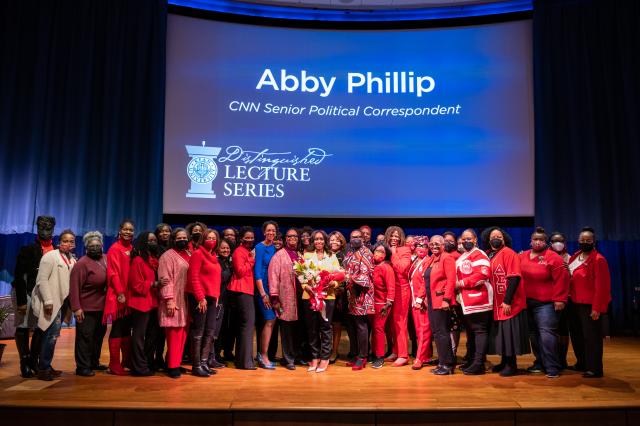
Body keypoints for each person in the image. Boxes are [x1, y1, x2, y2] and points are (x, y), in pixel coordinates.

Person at [520, 227, 570, 379]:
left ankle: (553, 367)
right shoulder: (522, 256)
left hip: (546, 304)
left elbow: (562, 279)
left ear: (546, 242)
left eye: (541, 240)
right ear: (530, 241)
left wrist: (560, 299)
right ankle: (540, 362)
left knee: (547, 335)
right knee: (533, 336)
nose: (538, 242)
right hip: (527, 302)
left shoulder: (554, 257)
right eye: (535, 239)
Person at [12, 215, 56, 378]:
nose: (45, 231)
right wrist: (22, 301)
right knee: (23, 326)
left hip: (46, 295)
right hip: (26, 292)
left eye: (48, 228)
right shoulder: (28, 249)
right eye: (41, 227)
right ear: (37, 229)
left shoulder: (57, 250)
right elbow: (19, 275)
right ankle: (24, 362)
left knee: (41, 327)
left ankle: (33, 360)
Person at [482, 227, 529, 377]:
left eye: (499, 236)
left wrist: (508, 301)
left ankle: (511, 364)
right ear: (488, 240)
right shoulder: (490, 254)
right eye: (493, 236)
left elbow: (514, 277)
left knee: (509, 334)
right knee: (501, 334)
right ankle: (503, 361)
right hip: (496, 302)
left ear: (504, 239)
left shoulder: (509, 253)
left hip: (509, 302)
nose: (496, 238)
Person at [32, 229, 77, 380]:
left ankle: (46, 365)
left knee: (52, 335)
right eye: (65, 240)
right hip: (51, 301)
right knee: (49, 335)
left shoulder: (72, 259)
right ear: (59, 242)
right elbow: (42, 280)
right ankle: (43, 369)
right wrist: (48, 301)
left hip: (63, 302)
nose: (68, 243)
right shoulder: (50, 256)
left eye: (71, 241)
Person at [567, 227, 611, 378]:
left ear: (594, 242)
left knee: (591, 337)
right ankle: (582, 363)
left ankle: (595, 368)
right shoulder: (575, 256)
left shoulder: (599, 259)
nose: (584, 242)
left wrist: (597, 308)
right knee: (577, 336)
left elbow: (602, 287)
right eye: (582, 240)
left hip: (589, 305)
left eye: (588, 241)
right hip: (574, 303)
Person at [302, 230, 343, 373]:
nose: (319, 241)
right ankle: (314, 357)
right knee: (312, 329)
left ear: (325, 241)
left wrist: (334, 284)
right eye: (316, 239)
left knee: (325, 328)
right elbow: (301, 275)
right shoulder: (307, 255)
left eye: (321, 239)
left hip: (327, 297)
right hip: (310, 296)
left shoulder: (332, 256)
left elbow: (339, 275)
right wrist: (305, 286)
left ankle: (325, 358)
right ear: (313, 241)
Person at [70, 231, 108, 376]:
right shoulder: (82, 264)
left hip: (102, 308)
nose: (95, 248)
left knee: (98, 336)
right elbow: (74, 288)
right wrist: (76, 308)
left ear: (102, 245)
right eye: (92, 246)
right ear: (86, 247)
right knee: (85, 338)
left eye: (98, 245)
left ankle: (94, 362)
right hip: (86, 308)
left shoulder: (106, 258)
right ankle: (82, 367)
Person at [455, 229, 492, 376]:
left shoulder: (479, 254)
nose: (466, 241)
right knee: (471, 333)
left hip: (479, 299)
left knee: (479, 331)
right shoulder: (464, 255)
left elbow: (482, 274)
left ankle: (479, 364)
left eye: (469, 239)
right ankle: (471, 360)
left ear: (475, 240)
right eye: (463, 239)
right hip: (467, 301)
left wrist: (462, 283)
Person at [187, 228, 222, 377]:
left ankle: (203, 362)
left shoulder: (214, 256)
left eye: (214, 238)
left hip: (212, 298)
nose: (211, 241)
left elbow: (216, 280)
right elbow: (193, 277)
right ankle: (196, 366)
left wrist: (217, 296)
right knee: (198, 332)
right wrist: (200, 298)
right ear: (203, 239)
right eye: (209, 238)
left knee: (210, 331)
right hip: (201, 298)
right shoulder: (197, 254)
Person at [128, 231, 163, 376]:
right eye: (150, 240)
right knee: (138, 336)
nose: (153, 242)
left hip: (152, 302)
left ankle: (147, 363)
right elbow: (136, 285)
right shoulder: (138, 260)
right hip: (140, 302)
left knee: (152, 335)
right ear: (143, 242)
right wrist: (154, 283)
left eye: (154, 240)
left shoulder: (154, 259)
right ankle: (138, 367)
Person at [157, 228, 191, 379]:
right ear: (173, 239)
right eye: (179, 237)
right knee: (174, 334)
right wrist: (169, 300)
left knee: (183, 333)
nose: (182, 240)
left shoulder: (189, 254)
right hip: (174, 299)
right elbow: (165, 279)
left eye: (184, 237)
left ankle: (174, 362)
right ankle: (172, 367)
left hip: (186, 299)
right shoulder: (167, 256)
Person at [421, 236, 457, 375]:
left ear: (443, 245)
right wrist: (422, 297)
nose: (434, 246)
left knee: (442, 333)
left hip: (441, 301)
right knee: (437, 333)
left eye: (437, 244)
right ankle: (442, 362)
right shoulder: (431, 259)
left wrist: (447, 299)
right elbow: (427, 281)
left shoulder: (447, 258)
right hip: (431, 301)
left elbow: (451, 280)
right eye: (431, 244)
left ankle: (448, 365)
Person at [268, 228, 302, 370]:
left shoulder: (300, 255)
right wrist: (275, 297)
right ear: (286, 239)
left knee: (297, 329)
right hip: (285, 296)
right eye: (289, 236)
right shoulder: (279, 255)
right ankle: (288, 359)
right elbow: (273, 275)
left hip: (300, 297)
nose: (292, 238)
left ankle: (296, 356)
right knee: (286, 328)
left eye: (295, 236)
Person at [103, 220, 135, 375]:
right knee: (117, 327)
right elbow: (113, 273)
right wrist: (121, 293)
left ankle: (126, 360)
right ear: (120, 230)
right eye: (125, 229)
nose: (128, 232)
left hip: (130, 296)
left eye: (131, 230)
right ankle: (114, 364)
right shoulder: (114, 249)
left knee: (126, 328)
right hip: (118, 295)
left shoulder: (132, 248)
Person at [343, 229, 375, 371]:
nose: (355, 239)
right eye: (352, 237)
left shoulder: (367, 253)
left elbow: (366, 276)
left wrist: (350, 278)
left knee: (362, 326)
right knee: (353, 325)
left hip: (362, 294)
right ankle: (356, 355)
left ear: (362, 239)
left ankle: (363, 357)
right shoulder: (349, 253)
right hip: (351, 295)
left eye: (358, 237)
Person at [227, 226, 257, 370]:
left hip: (246, 291)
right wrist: (252, 260)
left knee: (245, 326)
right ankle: (245, 362)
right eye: (247, 237)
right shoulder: (239, 251)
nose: (250, 240)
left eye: (252, 238)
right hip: (241, 290)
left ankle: (242, 361)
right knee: (247, 325)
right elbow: (240, 272)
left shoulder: (246, 251)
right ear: (241, 238)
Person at [384, 226, 412, 367]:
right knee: (392, 324)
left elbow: (402, 268)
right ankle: (395, 351)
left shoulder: (405, 250)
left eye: (397, 236)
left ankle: (403, 355)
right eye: (392, 236)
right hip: (388, 291)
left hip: (402, 290)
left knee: (400, 323)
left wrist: (394, 253)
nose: (394, 238)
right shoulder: (384, 249)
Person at [254, 221, 278, 369]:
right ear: (264, 232)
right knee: (269, 320)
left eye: (273, 231)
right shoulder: (260, 247)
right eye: (268, 231)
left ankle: (263, 354)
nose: (270, 233)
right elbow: (257, 273)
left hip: (273, 288)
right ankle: (263, 356)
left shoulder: (275, 248)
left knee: (271, 321)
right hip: (263, 290)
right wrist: (263, 294)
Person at [408, 236, 433, 370]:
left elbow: (425, 282)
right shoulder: (415, 261)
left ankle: (420, 358)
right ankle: (427, 355)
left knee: (424, 331)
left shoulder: (428, 261)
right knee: (419, 331)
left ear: (428, 248)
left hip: (423, 301)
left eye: (424, 246)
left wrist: (419, 299)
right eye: (418, 246)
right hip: (414, 301)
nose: (421, 248)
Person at [369, 243, 395, 368]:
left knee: (379, 329)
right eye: (376, 251)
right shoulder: (372, 266)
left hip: (382, 304)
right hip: (371, 303)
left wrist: (388, 304)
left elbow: (391, 287)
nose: (378, 253)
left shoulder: (386, 267)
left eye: (381, 252)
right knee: (374, 329)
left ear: (386, 255)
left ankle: (380, 356)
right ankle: (373, 353)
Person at [549, 230, 571, 368]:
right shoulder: (545, 257)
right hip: (549, 300)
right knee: (551, 331)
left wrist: (569, 271)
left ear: (565, 243)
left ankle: (562, 359)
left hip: (566, 300)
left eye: (561, 241)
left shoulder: (570, 258)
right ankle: (552, 359)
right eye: (555, 241)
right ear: (550, 243)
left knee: (563, 330)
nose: (558, 243)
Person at [442, 230, 463, 359]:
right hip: (443, 296)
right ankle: (447, 354)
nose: (448, 243)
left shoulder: (455, 256)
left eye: (451, 241)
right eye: (445, 240)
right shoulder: (441, 255)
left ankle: (452, 354)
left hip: (452, 297)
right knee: (446, 326)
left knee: (453, 325)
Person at [214, 238, 235, 364]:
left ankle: (218, 354)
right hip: (218, 300)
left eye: (227, 248)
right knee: (215, 330)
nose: (226, 250)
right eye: (223, 248)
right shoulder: (217, 262)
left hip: (226, 301)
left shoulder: (227, 262)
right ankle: (214, 356)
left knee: (222, 330)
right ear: (217, 249)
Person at [328, 231, 348, 363]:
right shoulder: (324, 255)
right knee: (324, 325)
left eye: (337, 240)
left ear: (341, 243)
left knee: (336, 324)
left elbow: (346, 277)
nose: (334, 242)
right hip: (324, 293)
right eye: (332, 239)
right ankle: (325, 350)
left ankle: (334, 351)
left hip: (339, 295)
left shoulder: (344, 257)